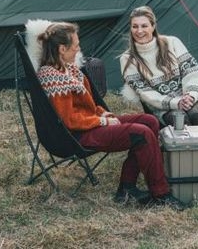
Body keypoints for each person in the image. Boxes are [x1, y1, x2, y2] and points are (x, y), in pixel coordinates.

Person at [36, 22, 188, 209]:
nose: (78, 49)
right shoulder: (52, 77)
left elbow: (88, 106)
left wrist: (103, 114)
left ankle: (127, 188)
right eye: (76, 45)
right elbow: (70, 120)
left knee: (149, 121)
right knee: (141, 134)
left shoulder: (70, 70)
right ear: (61, 49)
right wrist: (102, 121)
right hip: (76, 135)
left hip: (90, 124)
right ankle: (161, 195)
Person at [120, 6, 198, 126]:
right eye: (135, 26)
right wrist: (175, 102)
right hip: (164, 107)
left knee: (196, 114)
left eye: (144, 26)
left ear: (153, 26)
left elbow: (191, 72)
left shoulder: (172, 42)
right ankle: (185, 145)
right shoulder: (127, 58)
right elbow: (144, 92)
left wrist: (190, 96)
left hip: (194, 96)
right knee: (180, 120)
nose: (139, 31)